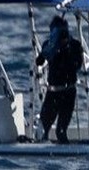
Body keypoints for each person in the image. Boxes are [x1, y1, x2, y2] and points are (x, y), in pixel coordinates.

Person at [35, 15, 84, 144]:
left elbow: (78, 65)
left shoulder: (75, 45)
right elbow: (39, 62)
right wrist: (49, 50)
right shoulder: (49, 44)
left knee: (61, 131)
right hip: (53, 92)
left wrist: (66, 49)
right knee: (42, 128)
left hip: (68, 92)